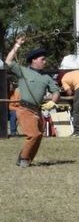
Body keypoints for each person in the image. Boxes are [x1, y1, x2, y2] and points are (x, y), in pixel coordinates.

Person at [5, 36, 61, 167]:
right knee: (34, 135)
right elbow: (8, 61)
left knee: (39, 135)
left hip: (37, 110)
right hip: (24, 109)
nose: (45, 62)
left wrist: (53, 102)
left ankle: (26, 159)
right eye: (42, 59)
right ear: (34, 60)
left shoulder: (47, 77)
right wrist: (17, 45)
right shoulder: (23, 71)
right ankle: (23, 159)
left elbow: (56, 91)